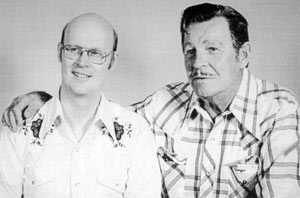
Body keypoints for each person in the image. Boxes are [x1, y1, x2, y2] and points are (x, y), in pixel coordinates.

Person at [2, 3, 300, 198]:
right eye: (190, 50)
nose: (198, 63)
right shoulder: (164, 104)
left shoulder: (277, 110)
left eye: (212, 49)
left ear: (243, 55)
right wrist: (44, 102)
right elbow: (94, 116)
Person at [0, 13, 161, 198]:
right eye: (73, 49)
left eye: (95, 53)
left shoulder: (136, 135)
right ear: (59, 51)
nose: (82, 62)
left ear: (112, 61)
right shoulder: (19, 128)